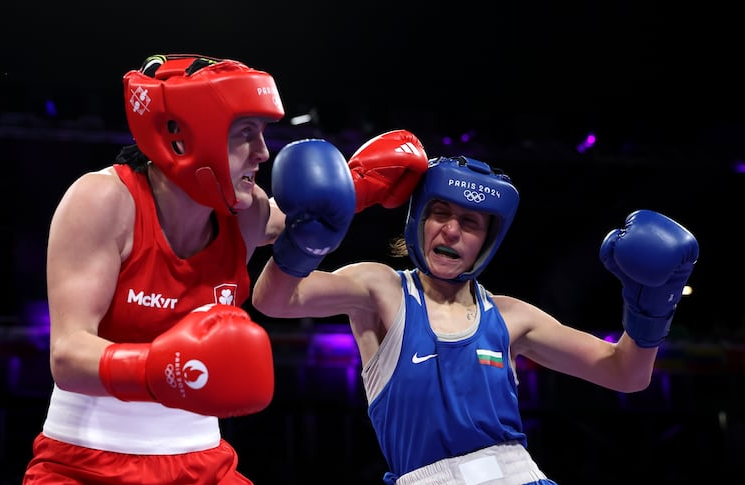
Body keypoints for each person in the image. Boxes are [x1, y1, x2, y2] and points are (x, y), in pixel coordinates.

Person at [251, 142, 700, 485]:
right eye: (440, 212)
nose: (450, 229)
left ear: (486, 240)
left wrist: (651, 309)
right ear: (418, 219)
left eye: (469, 223)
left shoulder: (509, 316)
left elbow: (626, 373)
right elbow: (273, 300)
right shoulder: (381, 288)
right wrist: (307, 238)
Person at [22, 53, 288, 484]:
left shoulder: (248, 213)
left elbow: (305, 214)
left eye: (262, 134)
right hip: (86, 462)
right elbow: (67, 354)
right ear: (183, 137)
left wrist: (362, 185)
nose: (262, 153)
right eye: (245, 134)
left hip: (205, 462)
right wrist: (165, 369)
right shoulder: (104, 201)